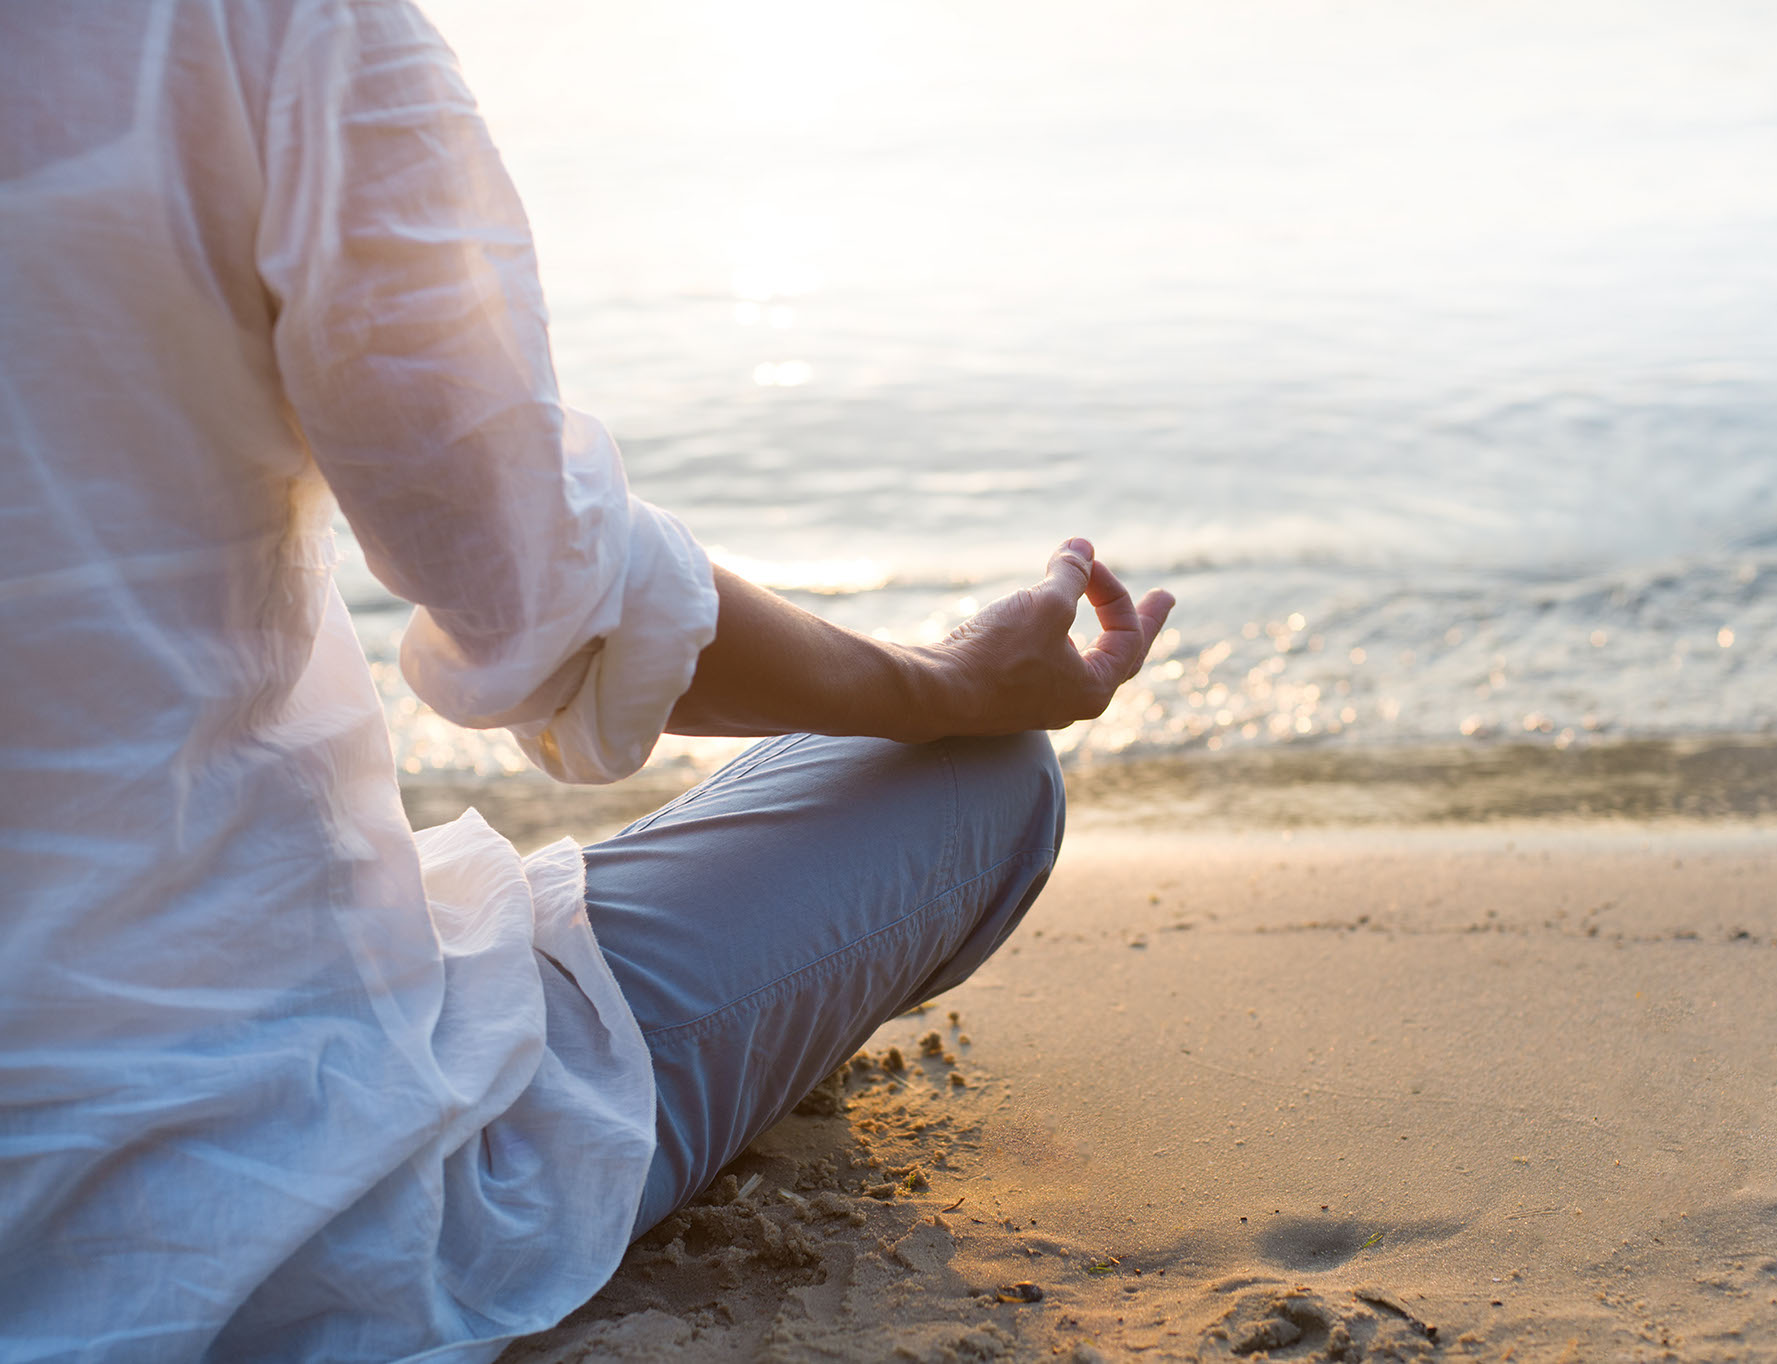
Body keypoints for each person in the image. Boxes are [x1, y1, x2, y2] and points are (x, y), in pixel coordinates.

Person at [0, 2, 1172, 1360]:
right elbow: (546, 603)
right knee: (981, 789)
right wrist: (942, 686)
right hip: (251, 1188)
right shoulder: (265, 32)